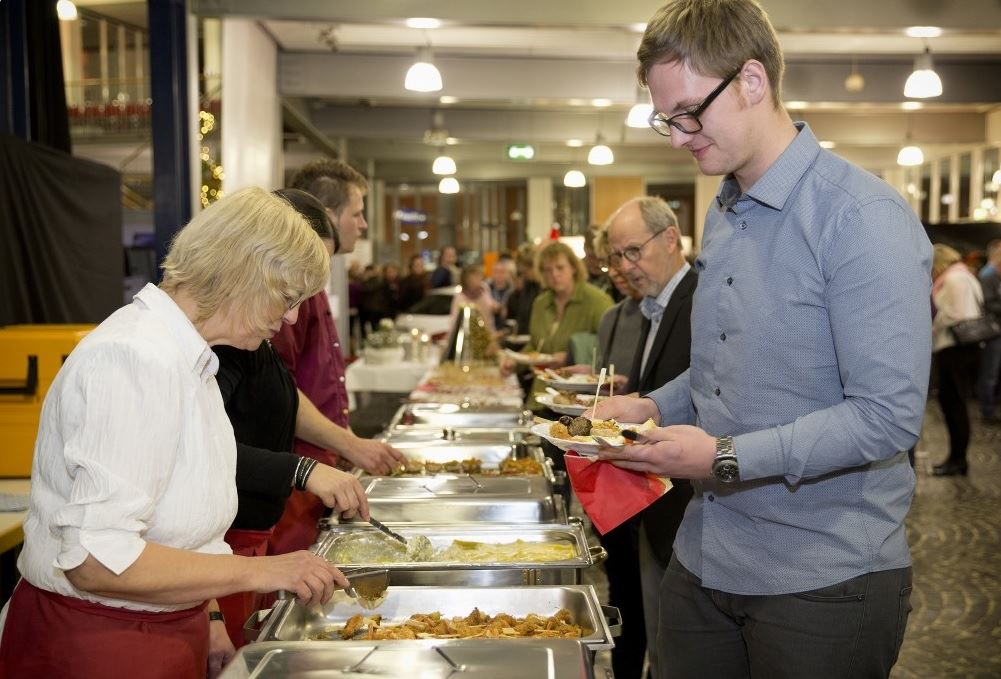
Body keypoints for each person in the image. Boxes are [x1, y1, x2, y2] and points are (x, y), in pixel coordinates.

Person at [593, 2, 932, 677]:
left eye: (689, 113)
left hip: (823, 576)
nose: (677, 138)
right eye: (666, 119)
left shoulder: (861, 217)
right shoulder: (724, 210)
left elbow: (886, 416)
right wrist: (653, 405)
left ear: (751, 81)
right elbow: (726, 365)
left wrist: (722, 457)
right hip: (707, 552)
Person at [0, 188, 347, 679]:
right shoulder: (134, 359)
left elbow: (178, 523)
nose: (291, 317)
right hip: (101, 644)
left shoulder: (191, 359)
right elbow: (95, 559)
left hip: (160, 629)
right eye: (288, 298)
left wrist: (209, 613)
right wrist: (264, 570)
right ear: (244, 273)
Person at [210, 189, 376, 648]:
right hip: (227, 543)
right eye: (291, 294)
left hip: (249, 538)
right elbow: (198, 457)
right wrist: (303, 469)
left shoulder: (252, 335)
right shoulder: (222, 341)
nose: (293, 316)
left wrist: (344, 445)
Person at [269, 160, 407, 557]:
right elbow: (281, 391)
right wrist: (349, 443)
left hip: (317, 468)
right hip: (296, 475)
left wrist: (344, 445)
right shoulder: (291, 290)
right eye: (357, 213)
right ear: (326, 215)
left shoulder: (312, 283)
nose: (363, 225)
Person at [605, 195, 697, 679]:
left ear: (670, 239)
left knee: (678, 652)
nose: (625, 266)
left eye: (633, 251)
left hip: (689, 502)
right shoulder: (654, 306)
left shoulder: (699, 297)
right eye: (617, 256)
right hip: (655, 503)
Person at [500, 241, 613, 410]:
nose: (554, 274)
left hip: (580, 401)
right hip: (541, 395)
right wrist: (515, 361)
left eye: (560, 268)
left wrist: (570, 356)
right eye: (547, 270)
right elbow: (535, 346)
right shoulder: (540, 303)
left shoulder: (597, 301)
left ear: (573, 267)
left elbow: (610, 347)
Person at [931, 244, 985, 476]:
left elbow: (958, 313)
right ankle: (956, 458)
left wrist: (934, 324)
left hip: (954, 348)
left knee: (955, 406)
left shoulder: (953, 279)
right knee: (956, 404)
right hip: (963, 349)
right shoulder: (965, 275)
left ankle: (958, 459)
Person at [975, 240, 1001, 423]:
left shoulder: (994, 275)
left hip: (996, 330)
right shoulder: (988, 275)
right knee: (990, 372)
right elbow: (987, 303)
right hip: (992, 332)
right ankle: (987, 410)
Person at [449, 263, 501, 333]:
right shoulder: (460, 298)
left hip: (489, 333)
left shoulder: (484, 288)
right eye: (475, 276)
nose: (480, 278)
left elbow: (490, 304)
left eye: (480, 275)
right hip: (471, 335)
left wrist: (495, 306)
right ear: (467, 279)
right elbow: (454, 321)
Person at [506, 242, 542, 336]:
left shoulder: (545, 287)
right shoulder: (528, 285)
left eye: (525, 271)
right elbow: (522, 317)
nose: (524, 275)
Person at [487, 253, 516, 329]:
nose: (499, 275)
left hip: (506, 326)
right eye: (496, 272)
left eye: (502, 272)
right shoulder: (486, 288)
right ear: (492, 273)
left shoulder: (513, 289)